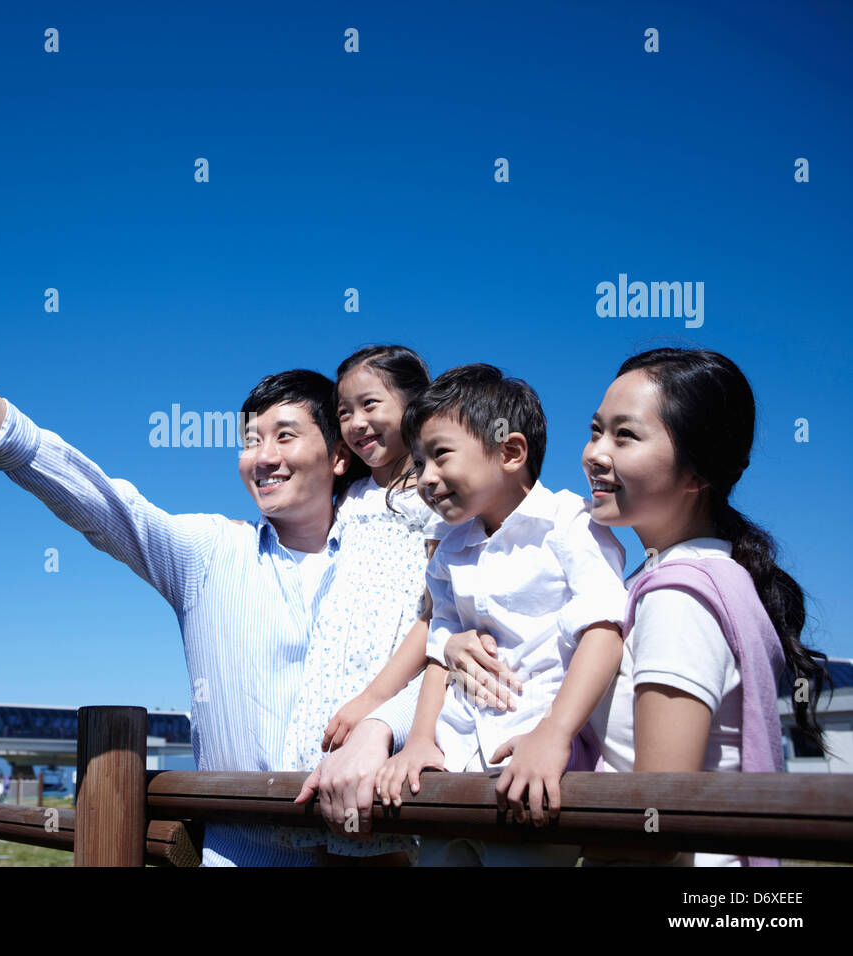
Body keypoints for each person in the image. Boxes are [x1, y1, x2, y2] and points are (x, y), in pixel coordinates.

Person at [0, 313, 357, 866]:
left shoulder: (390, 560)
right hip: (245, 853)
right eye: (250, 441)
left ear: (338, 456)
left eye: (285, 436)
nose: (262, 458)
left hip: (376, 850)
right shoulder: (211, 554)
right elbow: (100, 501)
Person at [300, 364, 630, 866]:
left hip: (531, 761)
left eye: (440, 455)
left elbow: (604, 632)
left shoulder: (570, 525)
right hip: (453, 765)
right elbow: (440, 651)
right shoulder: (451, 546)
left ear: (510, 452)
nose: (426, 478)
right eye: (419, 460)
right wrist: (420, 743)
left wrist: (553, 735)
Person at [573, 348, 829, 866]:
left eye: (625, 435)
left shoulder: (678, 597)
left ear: (696, 474)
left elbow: (657, 822)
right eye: (597, 429)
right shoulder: (695, 578)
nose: (595, 453)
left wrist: (528, 814)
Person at [277, 345, 445, 863]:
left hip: (390, 678)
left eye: (370, 404)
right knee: (328, 834)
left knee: (381, 834)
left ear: (414, 402)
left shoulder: (434, 490)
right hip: (333, 680)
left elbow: (436, 611)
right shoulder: (350, 495)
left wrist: (373, 700)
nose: (356, 422)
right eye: (345, 412)